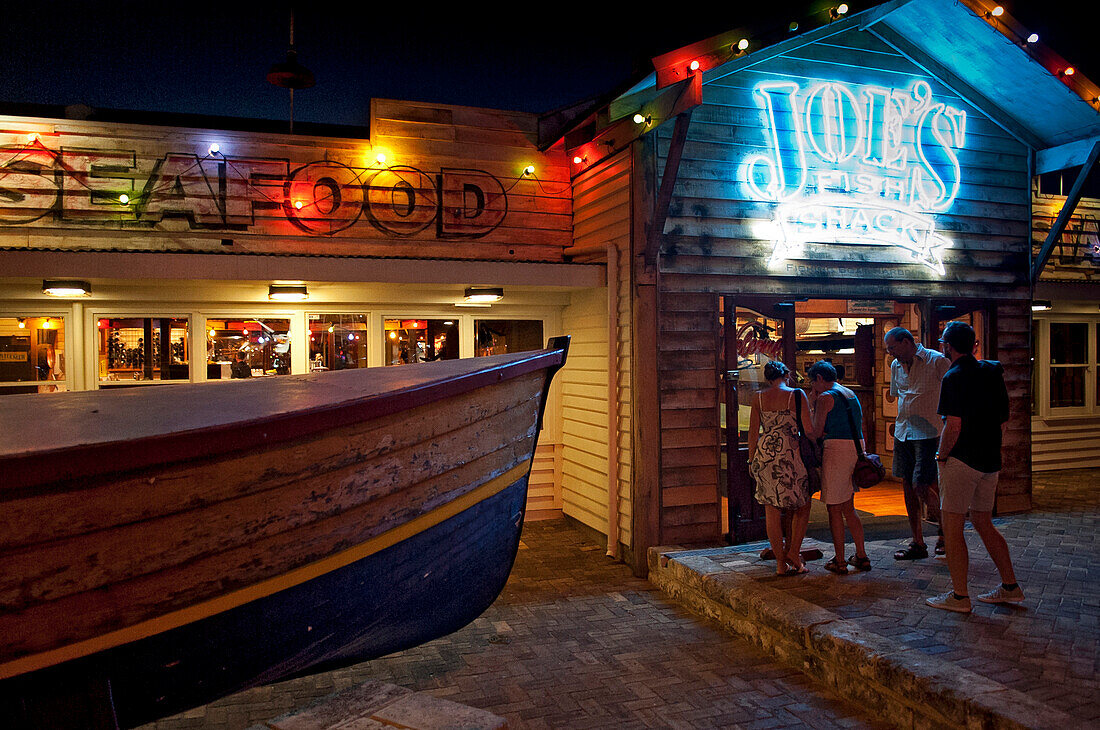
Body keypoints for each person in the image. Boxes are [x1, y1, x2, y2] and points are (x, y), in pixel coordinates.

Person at [925, 322, 1023, 613]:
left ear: (947, 346)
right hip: (990, 459)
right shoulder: (993, 372)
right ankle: (1010, 586)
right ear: (974, 345)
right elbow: (1004, 418)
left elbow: (953, 425)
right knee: (983, 522)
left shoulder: (953, 377)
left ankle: (960, 596)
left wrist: (941, 457)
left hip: (962, 460)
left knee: (953, 527)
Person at [885, 327, 950, 560]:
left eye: (892, 347)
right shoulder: (895, 366)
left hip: (930, 431)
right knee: (906, 484)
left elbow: (953, 393)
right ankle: (917, 541)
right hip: (904, 431)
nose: (890, 353)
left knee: (923, 484)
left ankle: (946, 532)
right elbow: (899, 396)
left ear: (906, 342)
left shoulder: (937, 361)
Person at [747, 361, 813, 576]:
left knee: (771, 509)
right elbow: (808, 428)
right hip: (790, 453)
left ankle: (779, 564)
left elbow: (752, 432)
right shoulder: (797, 395)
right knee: (801, 504)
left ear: (767, 377)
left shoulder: (757, 397)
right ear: (787, 374)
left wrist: (751, 460)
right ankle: (794, 552)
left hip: (765, 454)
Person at [807, 360, 870, 575]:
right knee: (848, 506)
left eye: (812, 383)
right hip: (856, 446)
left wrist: (812, 404)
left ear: (819, 379)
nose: (812, 388)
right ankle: (861, 554)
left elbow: (815, 431)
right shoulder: (850, 394)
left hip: (836, 449)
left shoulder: (825, 397)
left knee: (834, 507)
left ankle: (840, 560)